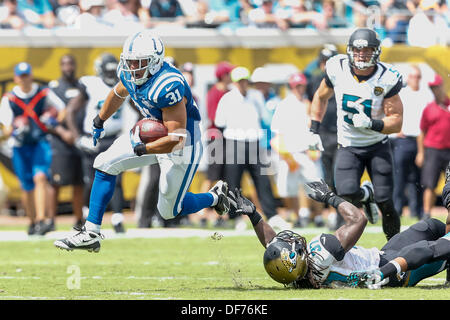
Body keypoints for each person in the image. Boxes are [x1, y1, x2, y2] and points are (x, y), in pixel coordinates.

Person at [54, 30, 230, 252]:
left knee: (169, 210)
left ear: (155, 62)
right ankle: (91, 232)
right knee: (104, 162)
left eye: (140, 62)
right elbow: (117, 93)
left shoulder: (168, 84)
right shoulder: (130, 73)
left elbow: (176, 139)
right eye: (130, 62)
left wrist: (142, 149)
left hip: (183, 145)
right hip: (152, 131)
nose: (133, 68)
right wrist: (99, 120)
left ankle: (214, 197)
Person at [227, 178, 450, 289]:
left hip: (378, 256)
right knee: (439, 249)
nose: (291, 240)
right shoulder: (320, 253)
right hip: (391, 272)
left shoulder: (295, 275)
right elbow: (358, 219)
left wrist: (255, 216)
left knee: (430, 226)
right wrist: (329, 198)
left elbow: (273, 247)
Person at [309, 27, 404, 240]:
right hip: (348, 144)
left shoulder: (386, 77)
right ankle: (365, 195)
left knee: (386, 201)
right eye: (358, 50)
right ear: (350, 50)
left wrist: (373, 123)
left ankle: (394, 246)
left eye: (367, 50)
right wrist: (313, 129)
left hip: (377, 144)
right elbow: (320, 97)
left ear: (376, 52)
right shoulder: (337, 67)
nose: (362, 55)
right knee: (346, 194)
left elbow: (396, 121)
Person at [64, 53, 130, 234]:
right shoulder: (90, 84)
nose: (110, 76)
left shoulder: (125, 84)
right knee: (91, 181)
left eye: (112, 72)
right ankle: (87, 218)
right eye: (107, 72)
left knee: (116, 180)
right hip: (92, 137)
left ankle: (118, 219)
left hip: (114, 137)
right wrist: (78, 137)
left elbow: (138, 109)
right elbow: (70, 112)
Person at [0, 62, 65, 235]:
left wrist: (53, 120)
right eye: (21, 76)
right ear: (16, 78)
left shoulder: (43, 92)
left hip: (39, 142)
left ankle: (42, 220)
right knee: (26, 186)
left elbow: (61, 110)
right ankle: (32, 220)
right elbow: (6, 126)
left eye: (26, 75)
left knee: (41, 178)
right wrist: (14, 127)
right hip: (20, 146)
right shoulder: (10, 98)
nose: (24, 79)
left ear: (31, 75)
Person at [214, 66, 280, 230]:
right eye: (240, 81)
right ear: (235, 83)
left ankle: (272, 215)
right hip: (234, 141)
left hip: (254, 141)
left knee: (263, 180)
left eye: (245, 81)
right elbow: (219, 121)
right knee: (234, 182)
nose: (243, 84)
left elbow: (264, 116)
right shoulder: (227, 98)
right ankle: (235, 218)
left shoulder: (256, 96)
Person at [271, 72, 324, 228]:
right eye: (297, 86)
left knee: (315, 184)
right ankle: (298, 215)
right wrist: (284, 153)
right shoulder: (284, 105)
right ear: (292, 87)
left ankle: (318, 215)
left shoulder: (309, 104)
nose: (300, 89)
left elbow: (314, 130)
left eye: (302, 86)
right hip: (290, 153)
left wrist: (314, 149)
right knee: (290, 188)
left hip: (307, 151)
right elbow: (278, 132)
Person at [47, 54, 85, 231]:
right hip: (60, 142)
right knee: (55, 183)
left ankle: (79, 220)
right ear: (60, 66)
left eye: (71, 63)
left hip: (79, 140)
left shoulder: (81, 87)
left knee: (79, 183)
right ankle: (50, 220)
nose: (68, 67)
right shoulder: (54, 89)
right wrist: (63, 132)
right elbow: (46, 117)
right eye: (64, 64)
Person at [391, 65, 433, 219]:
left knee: (419, 178)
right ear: (408, 78)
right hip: (404, 140)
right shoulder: (401, 93)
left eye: (418, 76)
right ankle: (397, 209)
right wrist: (396, 130)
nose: (416, 79)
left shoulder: (426, 95)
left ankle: (417, 210)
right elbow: (391, 112)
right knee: (399, 176)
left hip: (421, 140)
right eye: (413, 76)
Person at [305, 46, 340, 229]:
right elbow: (310, 105)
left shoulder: (344, 79)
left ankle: (337, 213)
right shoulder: (315, 81)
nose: (326, 65)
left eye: (330, 61)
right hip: (323, 134)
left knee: (339, 177)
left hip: (341, 134)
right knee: (324, 177)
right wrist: (312, 131)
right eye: (324, 61)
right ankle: (325, 213)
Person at [415, 73, 450, 220]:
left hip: (448, 150)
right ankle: (426, 213)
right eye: (432, 88)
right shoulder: (429, 108)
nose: (435, 90)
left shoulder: (449, 105)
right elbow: (422, 132)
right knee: (429, 184)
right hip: (433, 150)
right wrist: (421, 153)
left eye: (436, 87)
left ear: (441, 86)